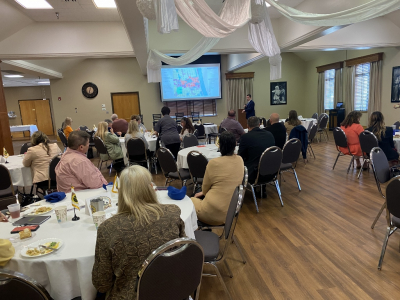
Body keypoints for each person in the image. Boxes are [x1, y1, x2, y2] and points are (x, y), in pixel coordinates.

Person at [92, 165, 186, 299]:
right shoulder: (173, 213)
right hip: (171, 289)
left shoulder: (107, 229)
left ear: (122, 192)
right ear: (151, 188)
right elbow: (185, 251)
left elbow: (102, 284)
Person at [191, 131, 244, 225]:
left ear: (219, 146)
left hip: (213, 212)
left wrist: (201, 194)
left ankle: (195, 233)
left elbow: (205, 189)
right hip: (231, 211)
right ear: (235, 145)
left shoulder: (213, 163)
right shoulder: (240, 159)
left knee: (190, 200)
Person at [238, 116, 275, 183]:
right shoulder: (270, 134)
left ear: (247, 126)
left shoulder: (245, 137)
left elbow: (240, 156)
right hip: (271, 170)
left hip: (254, 173)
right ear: (259, 125)